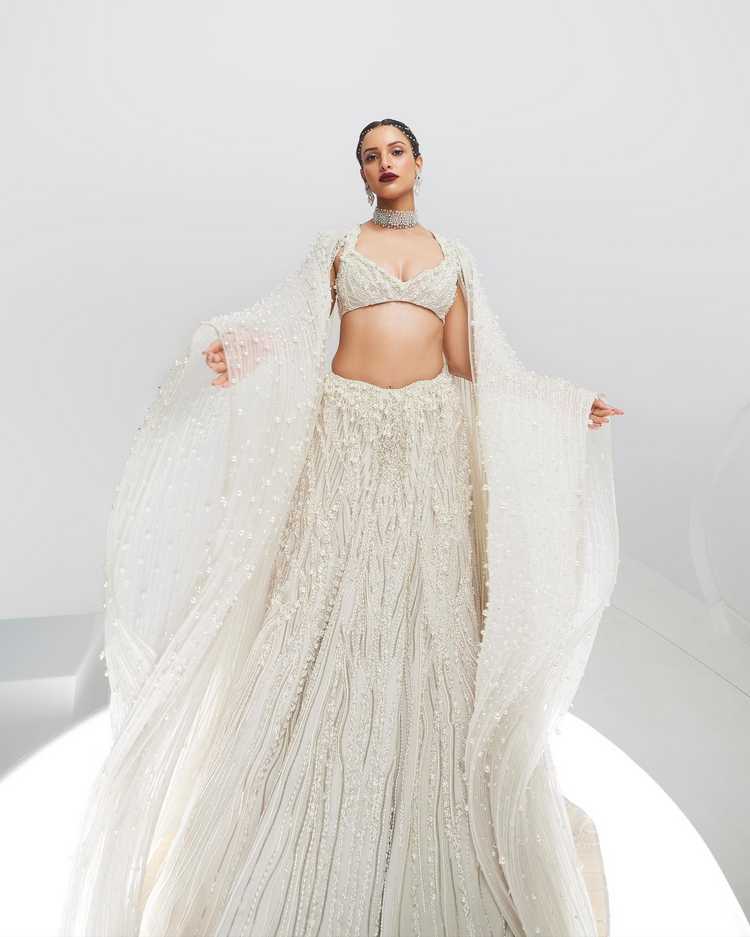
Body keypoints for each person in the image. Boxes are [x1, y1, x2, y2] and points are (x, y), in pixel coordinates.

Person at [60, 118, 622, 937]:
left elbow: (472, 360)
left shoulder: (453, 256)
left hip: (425, 444)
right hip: (347, 437)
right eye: (369, 155)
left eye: (394, 151)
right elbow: (293, 326)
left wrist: (561, 404)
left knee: (427, 612)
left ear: (419, 161)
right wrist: (237, 349)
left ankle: (418, 798)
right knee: (327, 604)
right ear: (361, 173)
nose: (383, 163)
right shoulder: (338, 248)